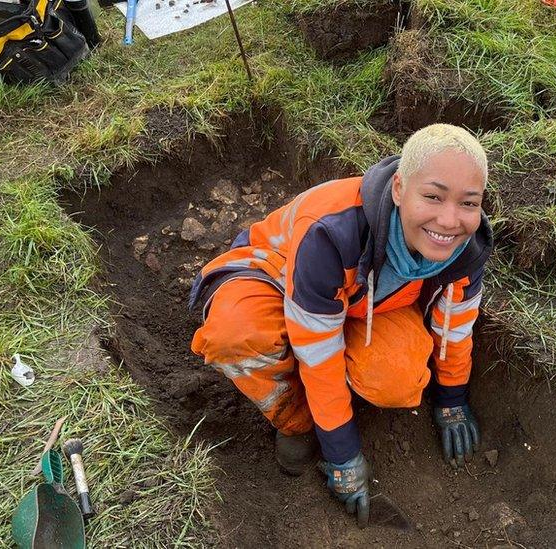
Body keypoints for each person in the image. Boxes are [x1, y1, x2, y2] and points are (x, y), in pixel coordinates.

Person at [189, 123, 492, 526]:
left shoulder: (466, 247)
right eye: (433, 196)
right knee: (237, 335)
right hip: (274, 276)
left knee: (398, 378)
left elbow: (455, 328)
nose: (450, 219)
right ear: (400, 189)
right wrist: (342, 451)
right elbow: (317, 354)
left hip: (365, 304)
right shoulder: (332, 233)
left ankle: (333, 405)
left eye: (468, 203)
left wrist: (452, 400)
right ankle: (297, 421)